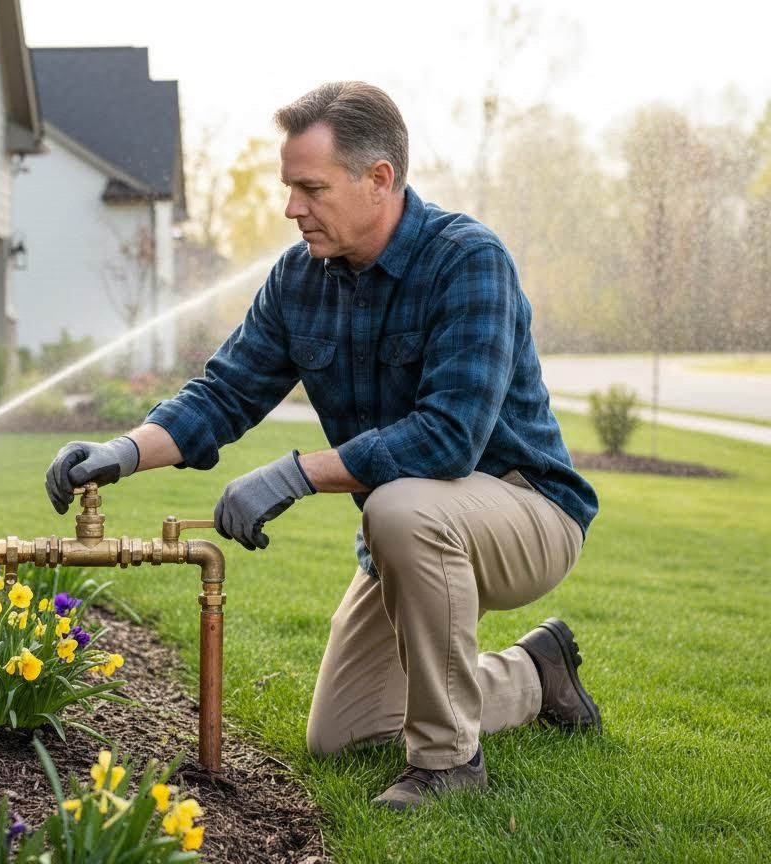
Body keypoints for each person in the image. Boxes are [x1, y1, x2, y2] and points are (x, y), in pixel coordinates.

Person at [45, 82, 600, 812]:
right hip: (408, 530)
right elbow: (224, 393)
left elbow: (450, 437)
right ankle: (538, 672)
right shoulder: (299, 280)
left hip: (527, 511)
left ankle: (450, 765)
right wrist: (123, 450)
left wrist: (297, 474)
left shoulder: (468, 261)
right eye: (289, 187)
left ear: (379, 179)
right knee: (345, 733)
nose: (290, 208)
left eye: (310, 187)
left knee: (400, 509)